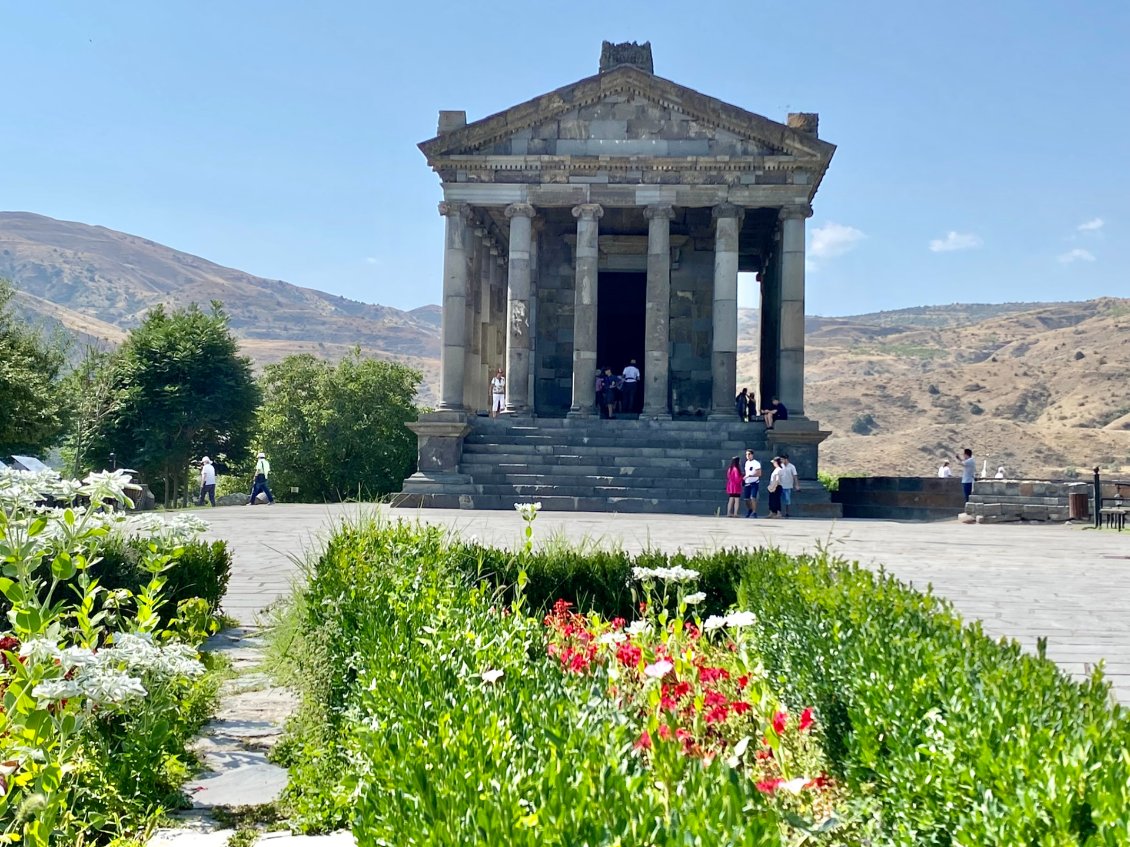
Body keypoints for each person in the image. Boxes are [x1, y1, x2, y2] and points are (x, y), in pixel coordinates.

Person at [777, 453, 799, 518]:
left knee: (787, 499)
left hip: (788, 485)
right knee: (779, 499)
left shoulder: (792, 466)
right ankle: (779, 512)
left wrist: (796, 484)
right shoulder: (780, 466)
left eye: (782, 459)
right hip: (781, 485)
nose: (781, 461)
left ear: (786, 459)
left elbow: (795, 476)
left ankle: (787, 512)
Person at [742, 448, 762, 518]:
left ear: (752, 455)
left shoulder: (756, 463)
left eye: (749, 454)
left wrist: (751, 475)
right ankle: (750, 509)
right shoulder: (747, 463)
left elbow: (759, 473)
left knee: (753, 497)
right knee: (746, 499)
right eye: (746, 454)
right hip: (747, 482)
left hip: (754, 483)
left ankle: (754, 511)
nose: (747, 456)